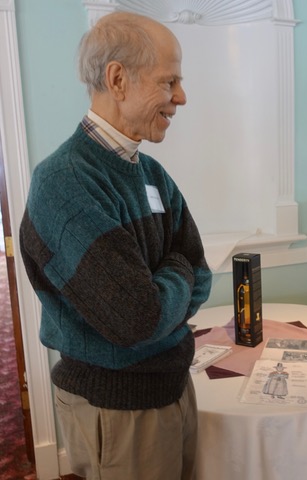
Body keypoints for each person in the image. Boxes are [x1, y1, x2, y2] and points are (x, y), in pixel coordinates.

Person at [19, 12, 212, 480]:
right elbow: (135, 318)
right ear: (118, 79)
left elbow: (202, 275)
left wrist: (168, 278)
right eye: (170, 81)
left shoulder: (150, 173)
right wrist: (176, 271)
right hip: (118, 407)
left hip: (171, 388)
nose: (181, 98)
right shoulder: (64, 182)